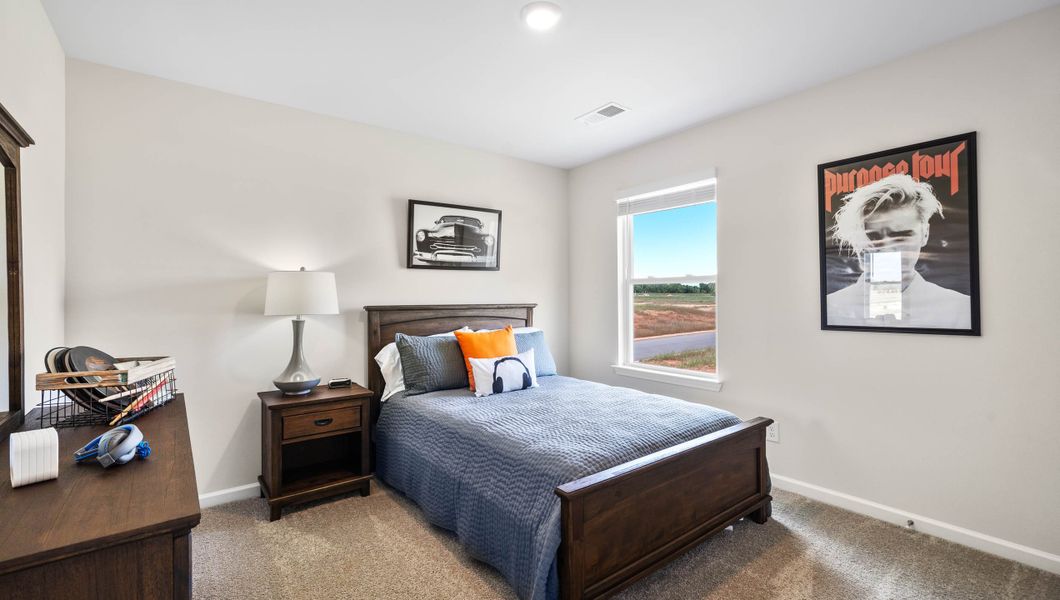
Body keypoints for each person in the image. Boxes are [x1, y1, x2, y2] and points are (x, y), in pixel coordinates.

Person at [826, 174, 970, 328]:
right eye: (873, 236)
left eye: (901, 235)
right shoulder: (830, 308)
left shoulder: (960, 310)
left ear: (925, 233)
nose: (887, 249)